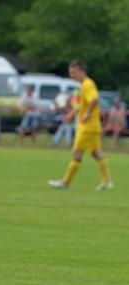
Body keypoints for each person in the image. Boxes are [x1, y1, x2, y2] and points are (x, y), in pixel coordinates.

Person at [49, 59, 113, 191]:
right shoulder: (84, 85)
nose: (72, 76)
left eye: (73, 72)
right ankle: (107, 181)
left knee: (76, 153)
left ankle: (65, 182)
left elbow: (94, 99)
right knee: (96, 153)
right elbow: (82, 104)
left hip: (87, 127)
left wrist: (87, 114)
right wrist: (71, 114)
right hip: (93, 126)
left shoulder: (87, 85)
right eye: (70, 73)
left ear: (81, 71)